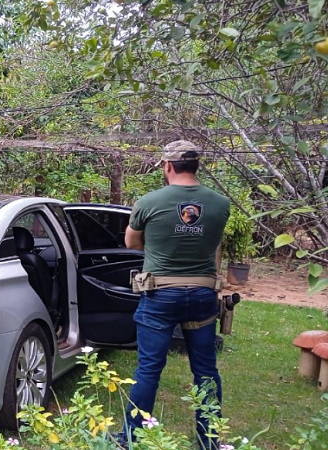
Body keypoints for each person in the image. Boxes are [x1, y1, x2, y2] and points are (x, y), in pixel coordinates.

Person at [123, 140, 231, 449]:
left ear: (168, 166)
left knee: (148, 369)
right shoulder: (220, 204)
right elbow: (207, 243)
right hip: (202, 294)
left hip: (160, 294)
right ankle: (208, 440)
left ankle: (132, 438)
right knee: (206, 370)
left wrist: (156, 247)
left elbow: (131, 243)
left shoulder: (149, 201)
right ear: (197, 165)